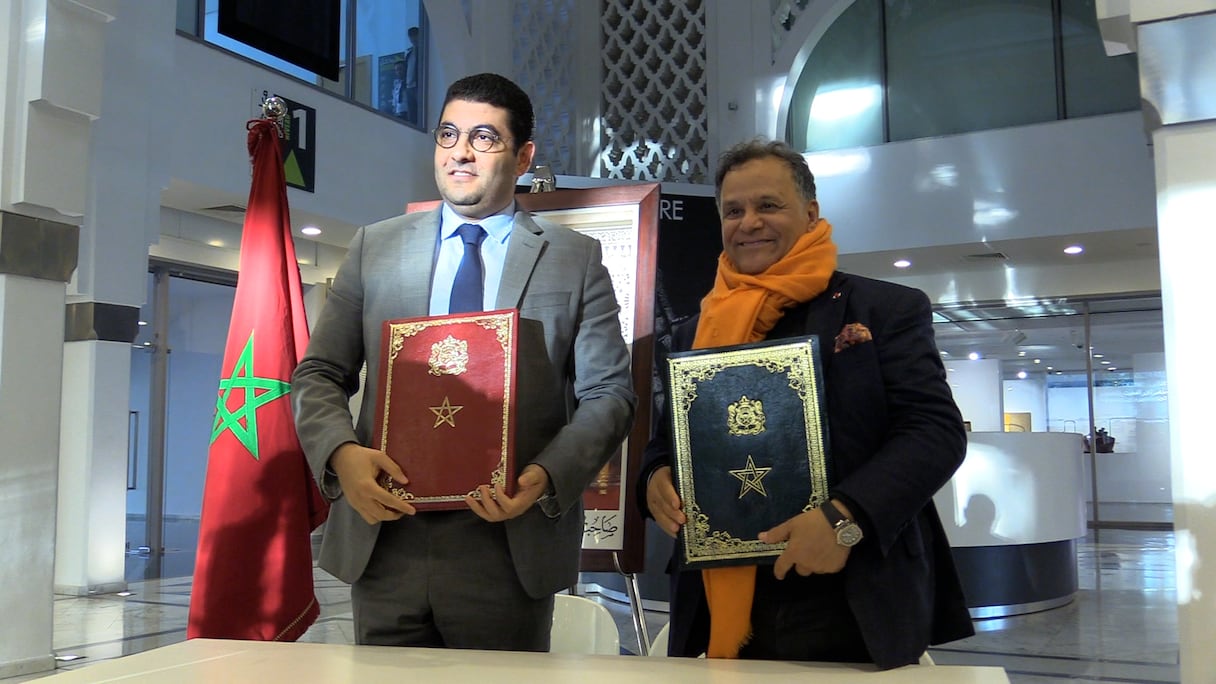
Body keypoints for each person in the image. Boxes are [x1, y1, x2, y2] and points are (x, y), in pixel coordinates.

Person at [292, 72, 636, 652]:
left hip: (506, 542)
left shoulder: (573, 260)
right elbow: (318, 374)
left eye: (484, 138)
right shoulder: (376, 246)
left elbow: (610, 395)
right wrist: (342, 455)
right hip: (387, 536)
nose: (461, 153)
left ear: (524, 156)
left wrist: (547, 475)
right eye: (448, 135)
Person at [637, 139, 974, 669]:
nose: (749, 222)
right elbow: (666, 440)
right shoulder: (692, 332)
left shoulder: (884, 309)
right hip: (721, 595)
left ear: (810, 212)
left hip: (849, 592)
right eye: (733, 210)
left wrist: (844, 518)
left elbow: (935, 432)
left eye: (768, 205)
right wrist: (655, 474)